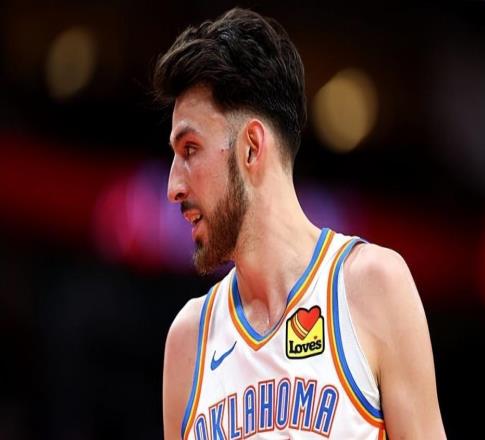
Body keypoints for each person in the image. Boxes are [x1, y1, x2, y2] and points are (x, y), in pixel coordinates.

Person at [154, 7, 446, 440]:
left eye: (191, 149)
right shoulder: (188, 341)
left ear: (251, 147)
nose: (173, 187)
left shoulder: (371, 288)